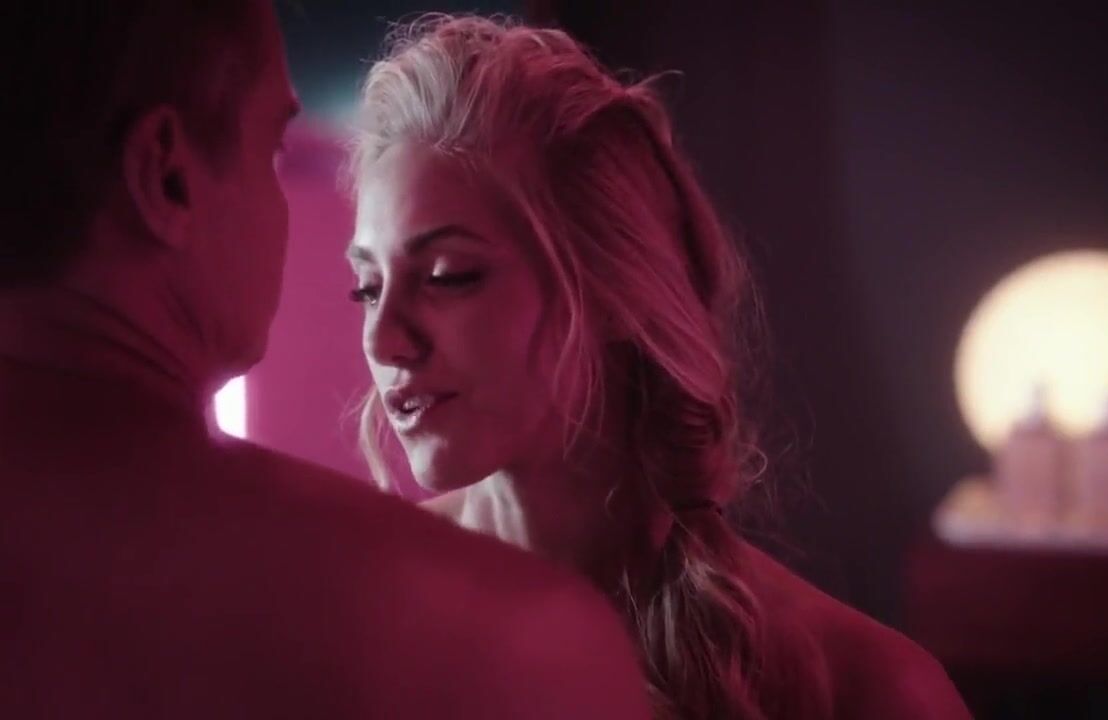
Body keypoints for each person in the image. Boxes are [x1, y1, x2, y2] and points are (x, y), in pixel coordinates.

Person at [0, 3, 648, 717]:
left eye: (447, 276)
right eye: (274, 148)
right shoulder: (507, 644)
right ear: (168, 176)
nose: (379, 339)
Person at [348, 13, 972, 720]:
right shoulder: (351, 612)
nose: (383, 339)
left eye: (447, 275)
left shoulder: (862, 689)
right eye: (366, 288)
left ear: (615, 290)